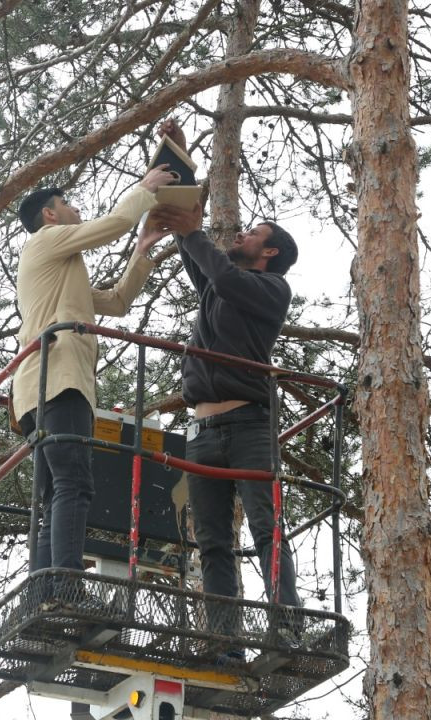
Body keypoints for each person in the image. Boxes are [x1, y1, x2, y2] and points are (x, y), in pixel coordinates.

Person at [150, 119, 302, 650]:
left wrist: (191, 230)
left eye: (252, 233)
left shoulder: (269, 289)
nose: (240, 234)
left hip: (247, 425)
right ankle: (224, 638)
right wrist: (181, 162)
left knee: (266, 526)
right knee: (211, 541)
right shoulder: (222, 287)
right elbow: (205, 265)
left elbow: (220, 271)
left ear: (271, 253)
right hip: (203, 430)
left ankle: (287, 627)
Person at [12, 163, 176, 602]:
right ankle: (65, 585)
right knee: (74, 485)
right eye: (66, 202)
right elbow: (115, 223)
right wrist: (144, 190)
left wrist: (142, 249)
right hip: (58, 381)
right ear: (49, 215)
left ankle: (43, 589)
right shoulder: (45, 241)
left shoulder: (65, 268)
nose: (74, 207)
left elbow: (118, 303)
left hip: (42, 388)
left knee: (57, 495)